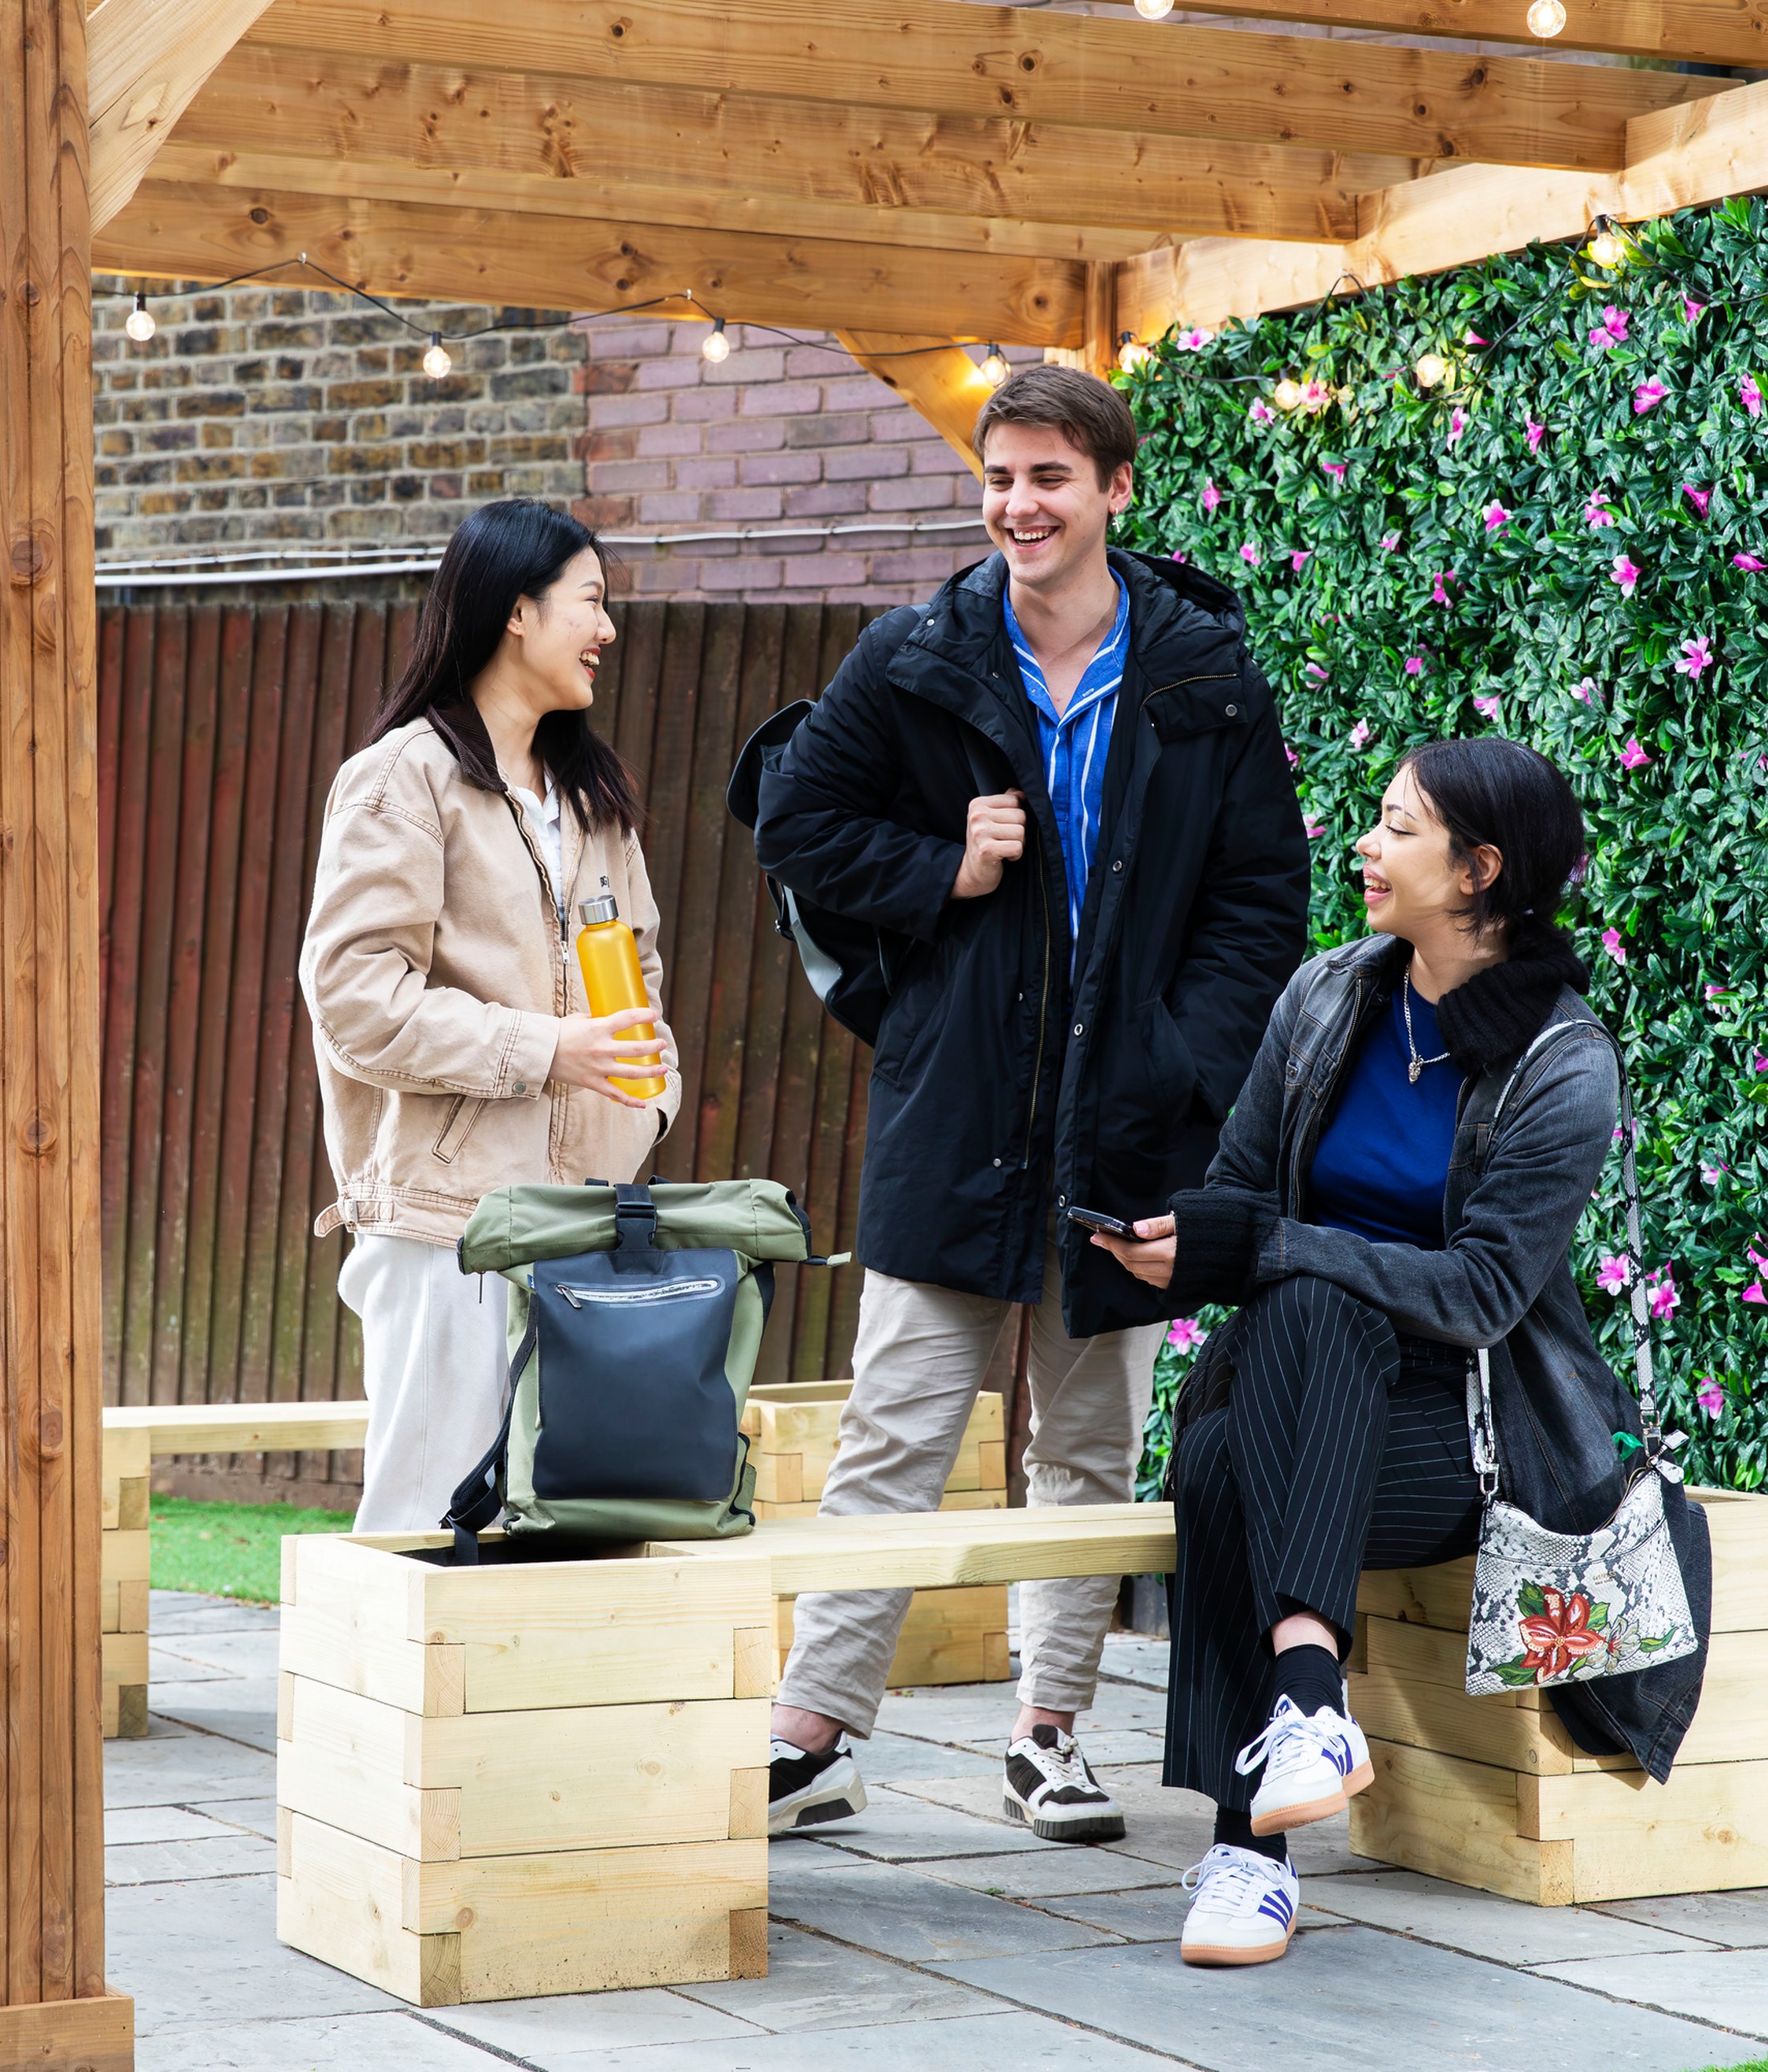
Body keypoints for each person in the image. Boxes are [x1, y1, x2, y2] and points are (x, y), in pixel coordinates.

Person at [752, 363, 1311, 1842]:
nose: (1020, 505)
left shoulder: (1203, 677)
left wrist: (1183, 1065)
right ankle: (814, 1730)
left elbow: (1263, 900)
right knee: (894, 1431)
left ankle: (1051, 1734)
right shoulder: (918, 653)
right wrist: (946, 864)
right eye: (1001, 477)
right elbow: (800, 819)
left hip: (1128, 1130)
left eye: (1052, 476)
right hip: (956, 1117)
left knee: (1085, 1444)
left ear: (1116, 490)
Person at [1092, 738, 1710, 1968]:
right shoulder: (1330, 996)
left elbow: (1483, 1292)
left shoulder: (1560, 1059)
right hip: (1298, 1395)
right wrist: (1186, 1244)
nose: (1366, 847)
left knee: (1265, 1385)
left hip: (1467, 1435)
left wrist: (1279, 1251)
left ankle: (1249, 1849)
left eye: (1399, 828)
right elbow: (1238, 1198)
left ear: (1481, 870)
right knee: (1230, 1437)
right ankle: (1302, 1726)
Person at [300, 501, 681, 1532]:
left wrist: (648, 1108)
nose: (608, 629)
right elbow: (353, 1001)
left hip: (590, 1229)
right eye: (591, 601)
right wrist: (544, 1050)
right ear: (517, 610)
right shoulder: (400, 780)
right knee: (428, 1536)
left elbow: (637, 982)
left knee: (572, 1538)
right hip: (450, 1232)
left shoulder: (592, 797)